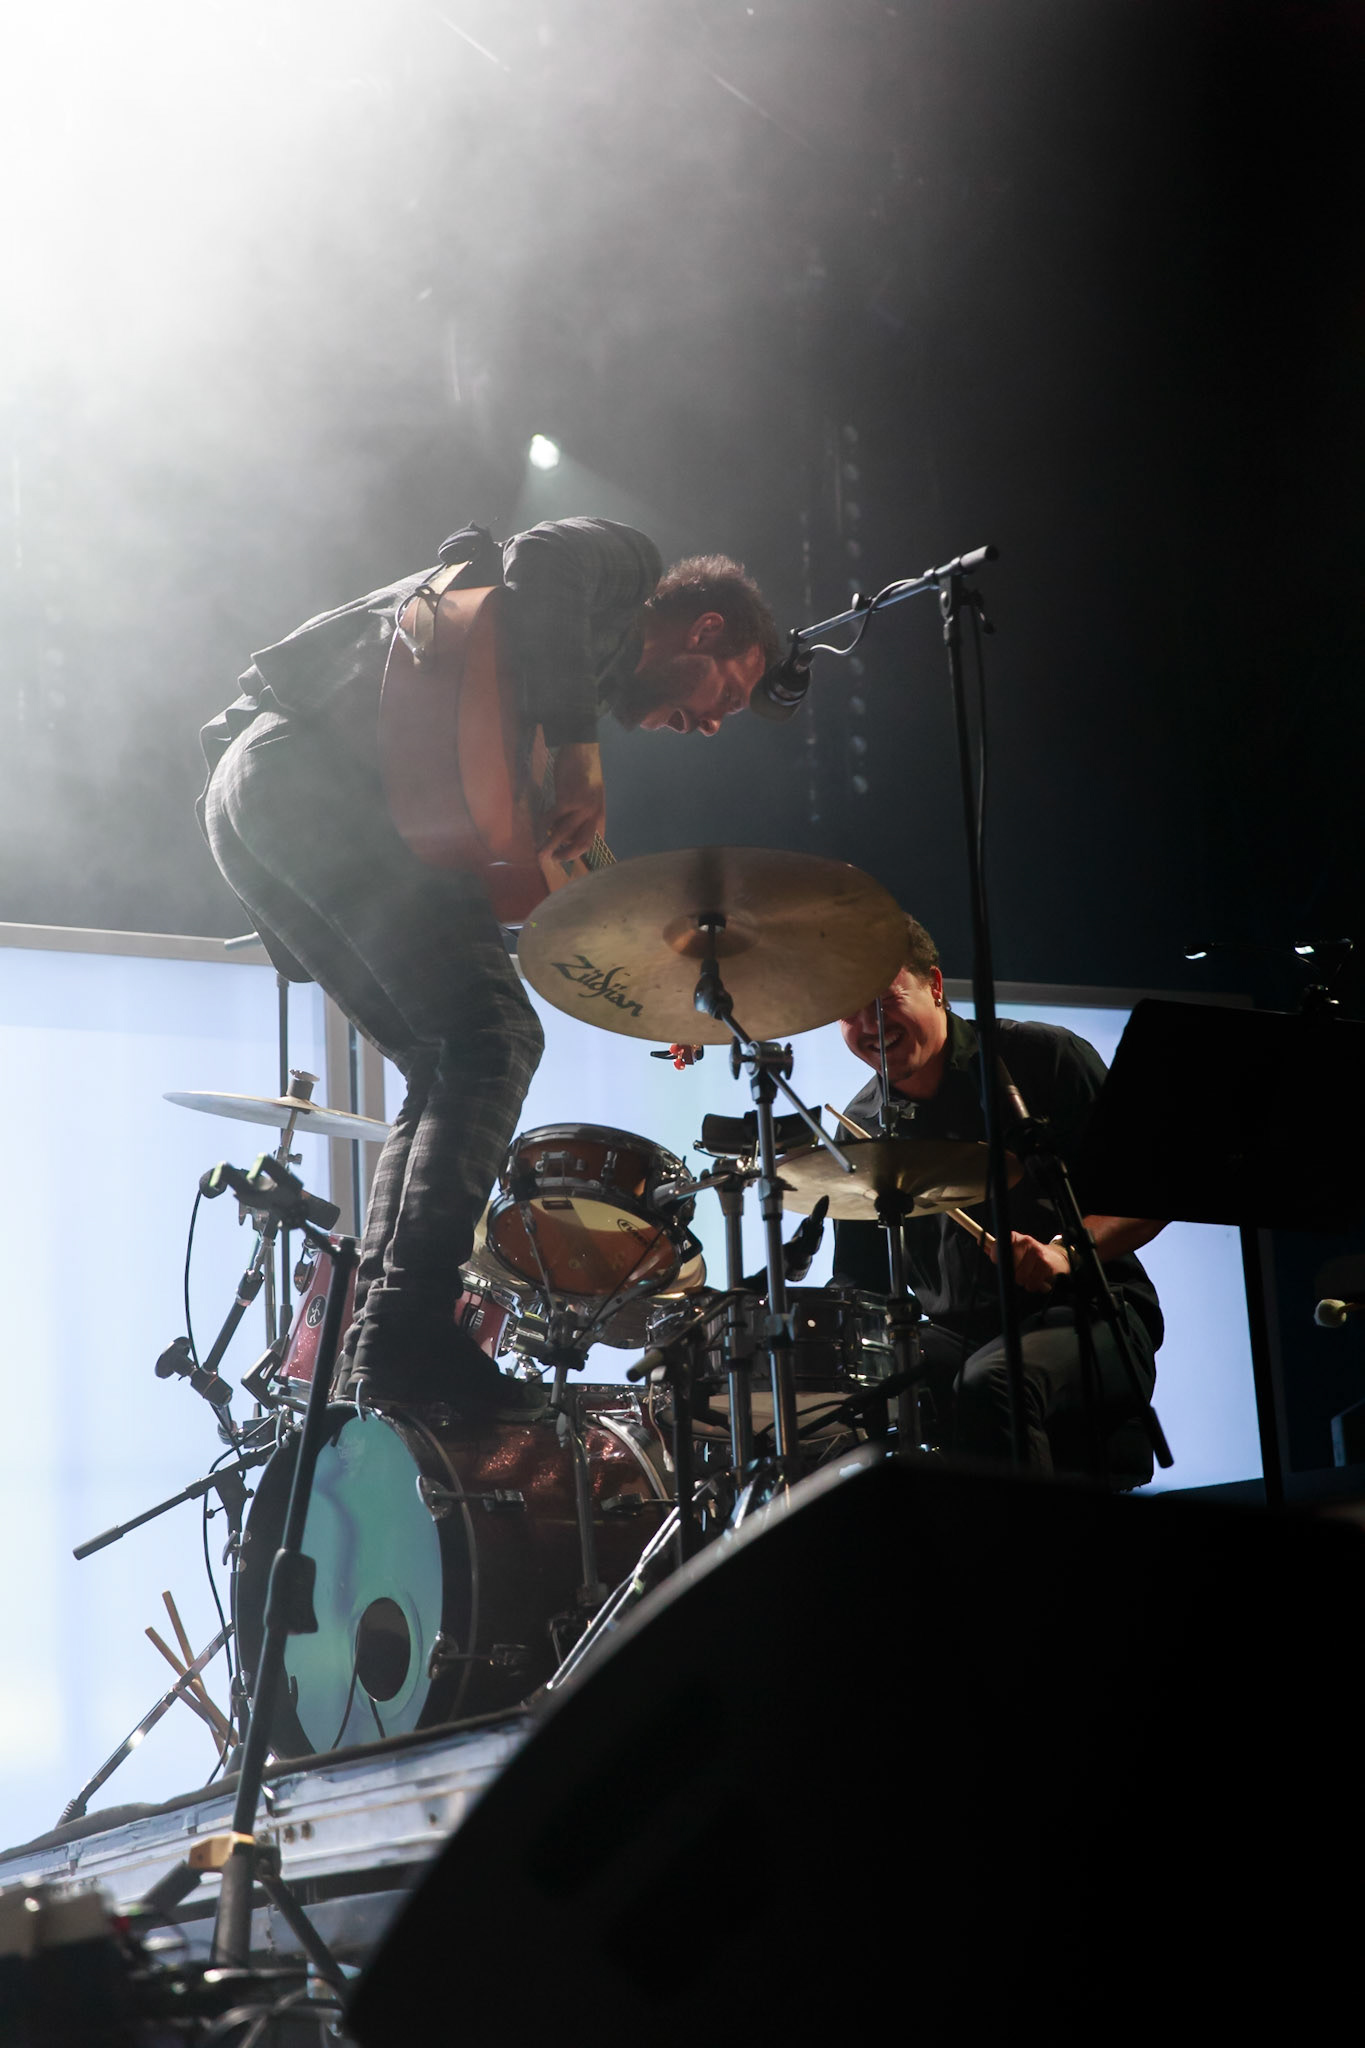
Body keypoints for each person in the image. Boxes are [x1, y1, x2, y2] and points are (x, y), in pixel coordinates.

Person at [199, 517, 779, 1409]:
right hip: (314, 776)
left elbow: (536, 879)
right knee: (493, 1036)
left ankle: (380, 1344)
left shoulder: (536, 702)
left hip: (262, 793)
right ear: (705, 630)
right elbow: (540, 555)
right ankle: (404, 1334)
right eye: (727, 698)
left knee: (450, 1055)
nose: (707, 727)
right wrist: (581, 752)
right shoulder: (628, 570)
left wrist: (655, 988)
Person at [832, 915, 1166, 1483]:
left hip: (1088, 1310)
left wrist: (1067, 1254)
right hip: (951, 1334)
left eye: (886, 999)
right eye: (850, 1010)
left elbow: (1150, 1191)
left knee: (991, 1382)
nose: (870, 1024)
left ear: (934, 985)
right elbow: (858, 1282)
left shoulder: (1041, 1057)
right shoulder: (861, 1126)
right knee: (835, 1401)